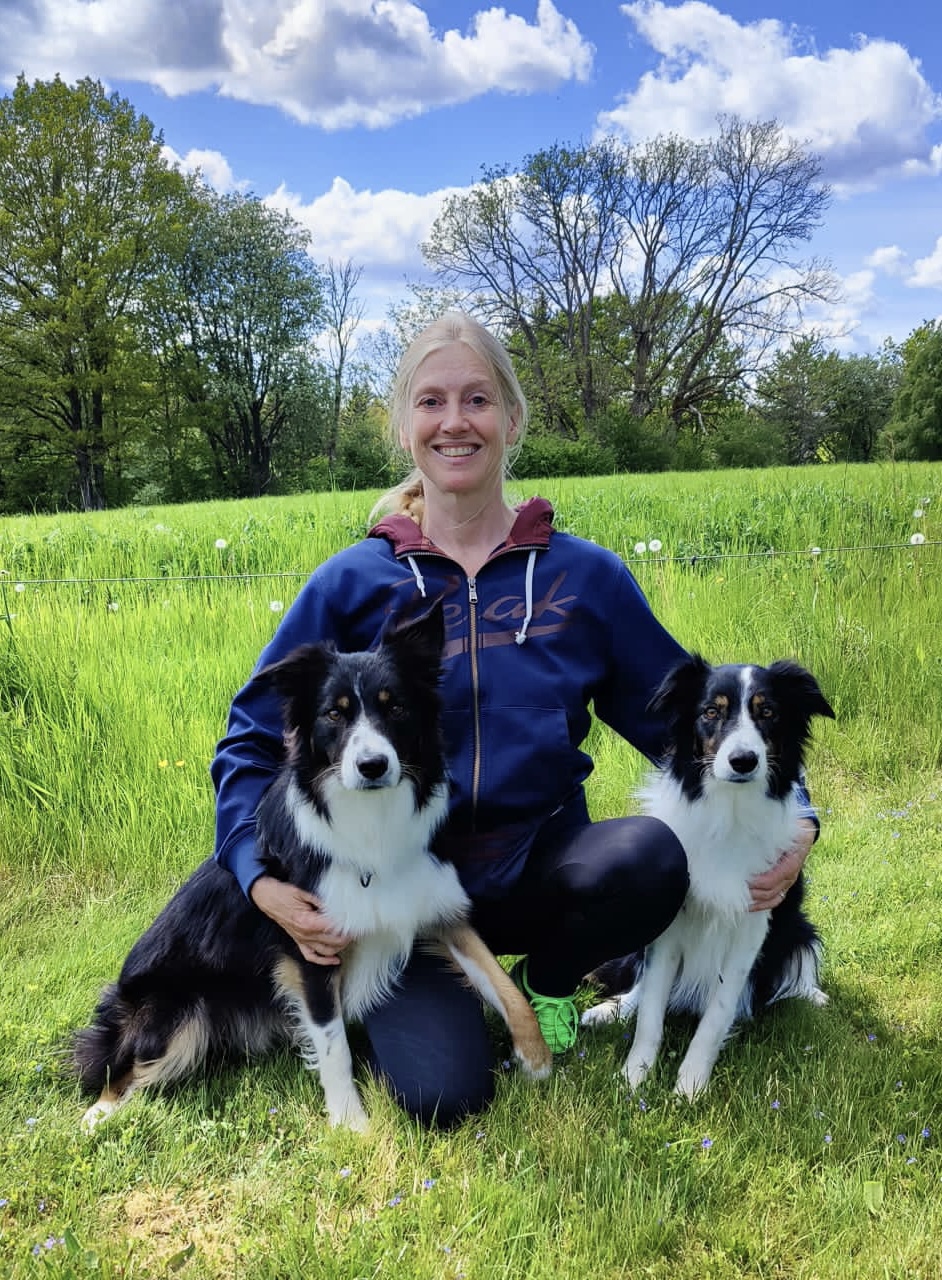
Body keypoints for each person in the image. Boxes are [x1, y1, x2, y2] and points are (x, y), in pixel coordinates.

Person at [211, 312, 817, 1125]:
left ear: (513, 419)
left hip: (545, 870)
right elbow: (251, 740)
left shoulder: (585, 578)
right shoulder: (350, 583)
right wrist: (259, 879)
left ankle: (549, 980)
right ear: (403, 426)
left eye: (477, 399)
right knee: (443, 1097)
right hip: (407, 891)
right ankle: (437, 1005)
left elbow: (689, 723)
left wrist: (801, 815)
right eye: (431, 402)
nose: (455, 422)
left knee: (649, 855)